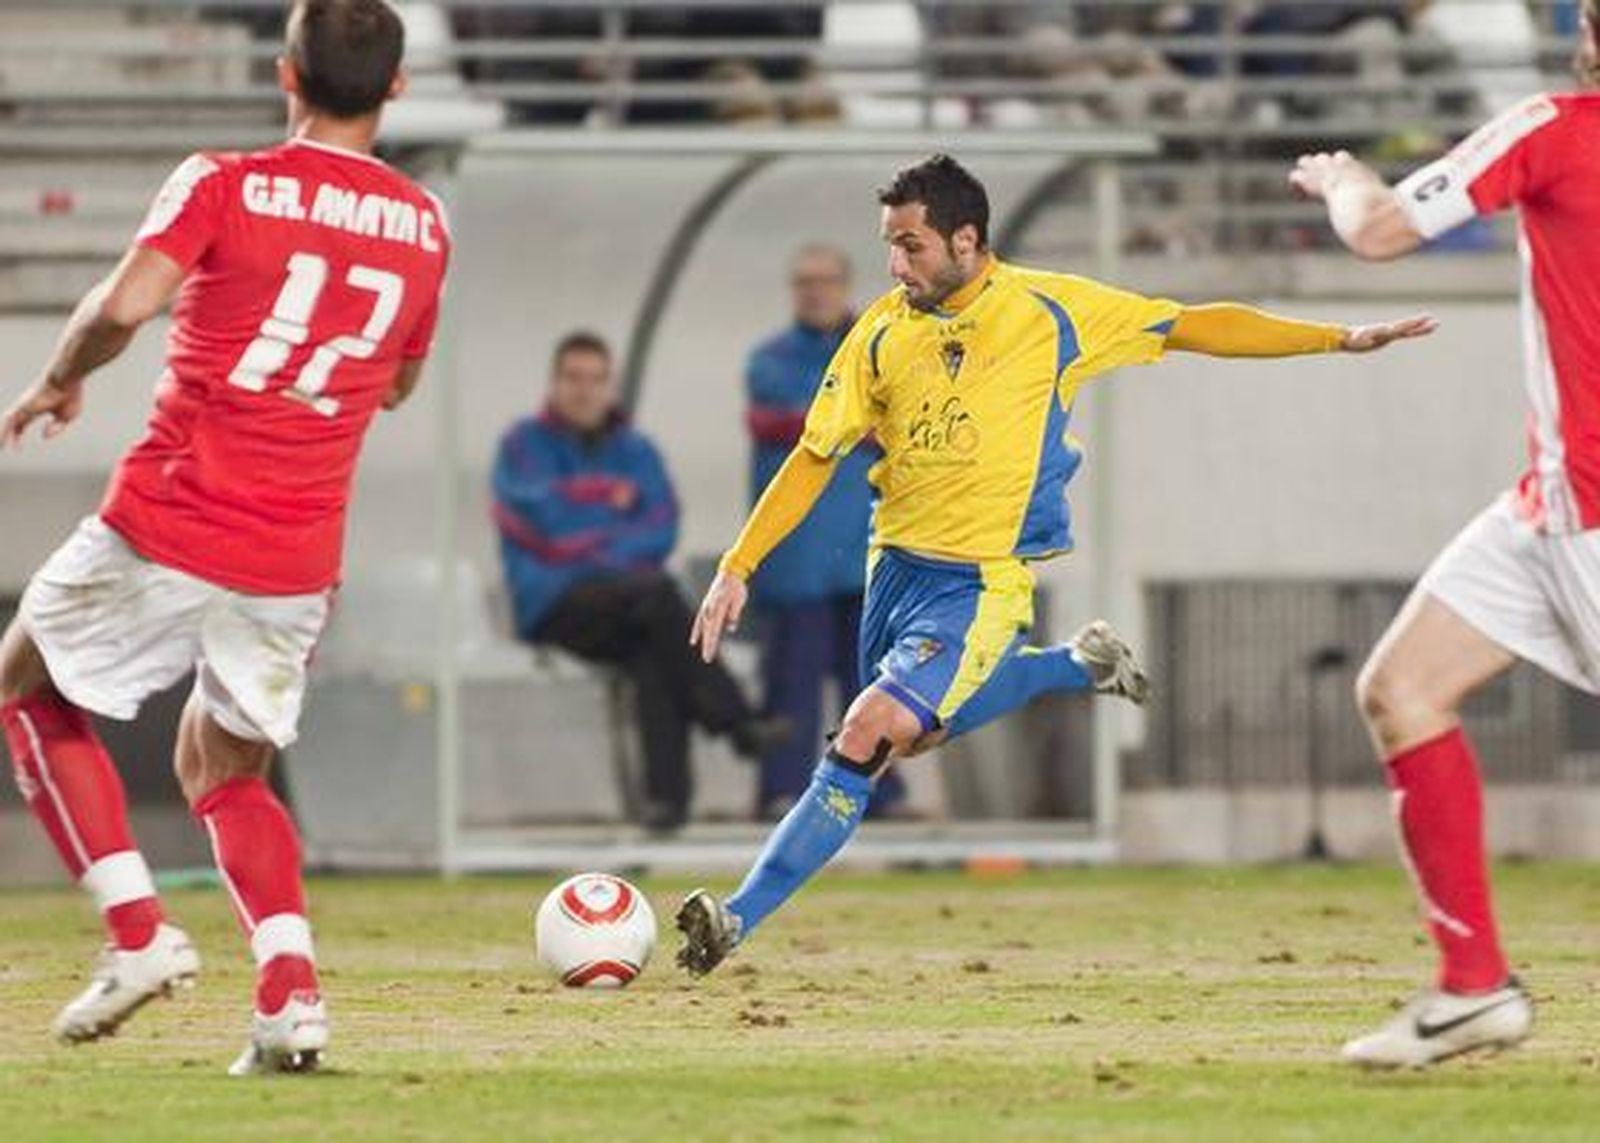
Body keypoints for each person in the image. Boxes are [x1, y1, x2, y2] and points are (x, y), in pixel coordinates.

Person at [675, 153, 1435, 977]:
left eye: (912, 245)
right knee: (910, 737)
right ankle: (1080, 663)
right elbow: (815, 453)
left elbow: (1192, 324)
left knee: (867, 732)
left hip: (982, 581)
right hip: (892, 567)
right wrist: (738, 564)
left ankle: (735, 916)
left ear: (967, 239)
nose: (896, 265)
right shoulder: (883, 330)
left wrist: (1335, 338)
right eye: (889, 246)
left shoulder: (1052, 309)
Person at [0, 0, 448, 1074]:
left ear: (286, 74)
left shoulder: (222, 181)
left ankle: (137, 933)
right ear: (394, 89)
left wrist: (60, 379)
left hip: (176, 507)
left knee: (25, 683)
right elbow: (395, 383)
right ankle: (290, 998)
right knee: (223, 763)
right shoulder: (426, 223)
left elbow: (126, 304)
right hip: (296, 554)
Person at [1285, 0, 1600, 1072]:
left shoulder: (1555, 127)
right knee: (1401, 688)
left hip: (1591, 514)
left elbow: (1378, 232)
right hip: (1545, 508)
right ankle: (1472, 991)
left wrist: (1338, 177)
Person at [493, 331, 785, 834]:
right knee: (659, 596)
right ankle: (734, 719)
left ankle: (665, 808)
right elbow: (543, 527)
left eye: (595, 380)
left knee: (654, 654)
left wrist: (586, 516)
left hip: (631, 605)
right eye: (573, 379)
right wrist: (609, 502)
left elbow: (660, 527)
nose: (584, 391)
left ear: (610, 386)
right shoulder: (521, 446)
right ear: (555, 383)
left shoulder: (637, 447)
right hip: (555, 602)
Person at [744, 245, 905, 820]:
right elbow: (816, 419)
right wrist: (863, 422)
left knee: (875, 682)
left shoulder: (881, 347)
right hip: (798, 557)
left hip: (868, 550)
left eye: (825, 280)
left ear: (845, 284)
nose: (815, 291)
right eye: (804, 281)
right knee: (792, 682)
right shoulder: (770, 362)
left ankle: (878, 793)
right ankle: (783, 793)